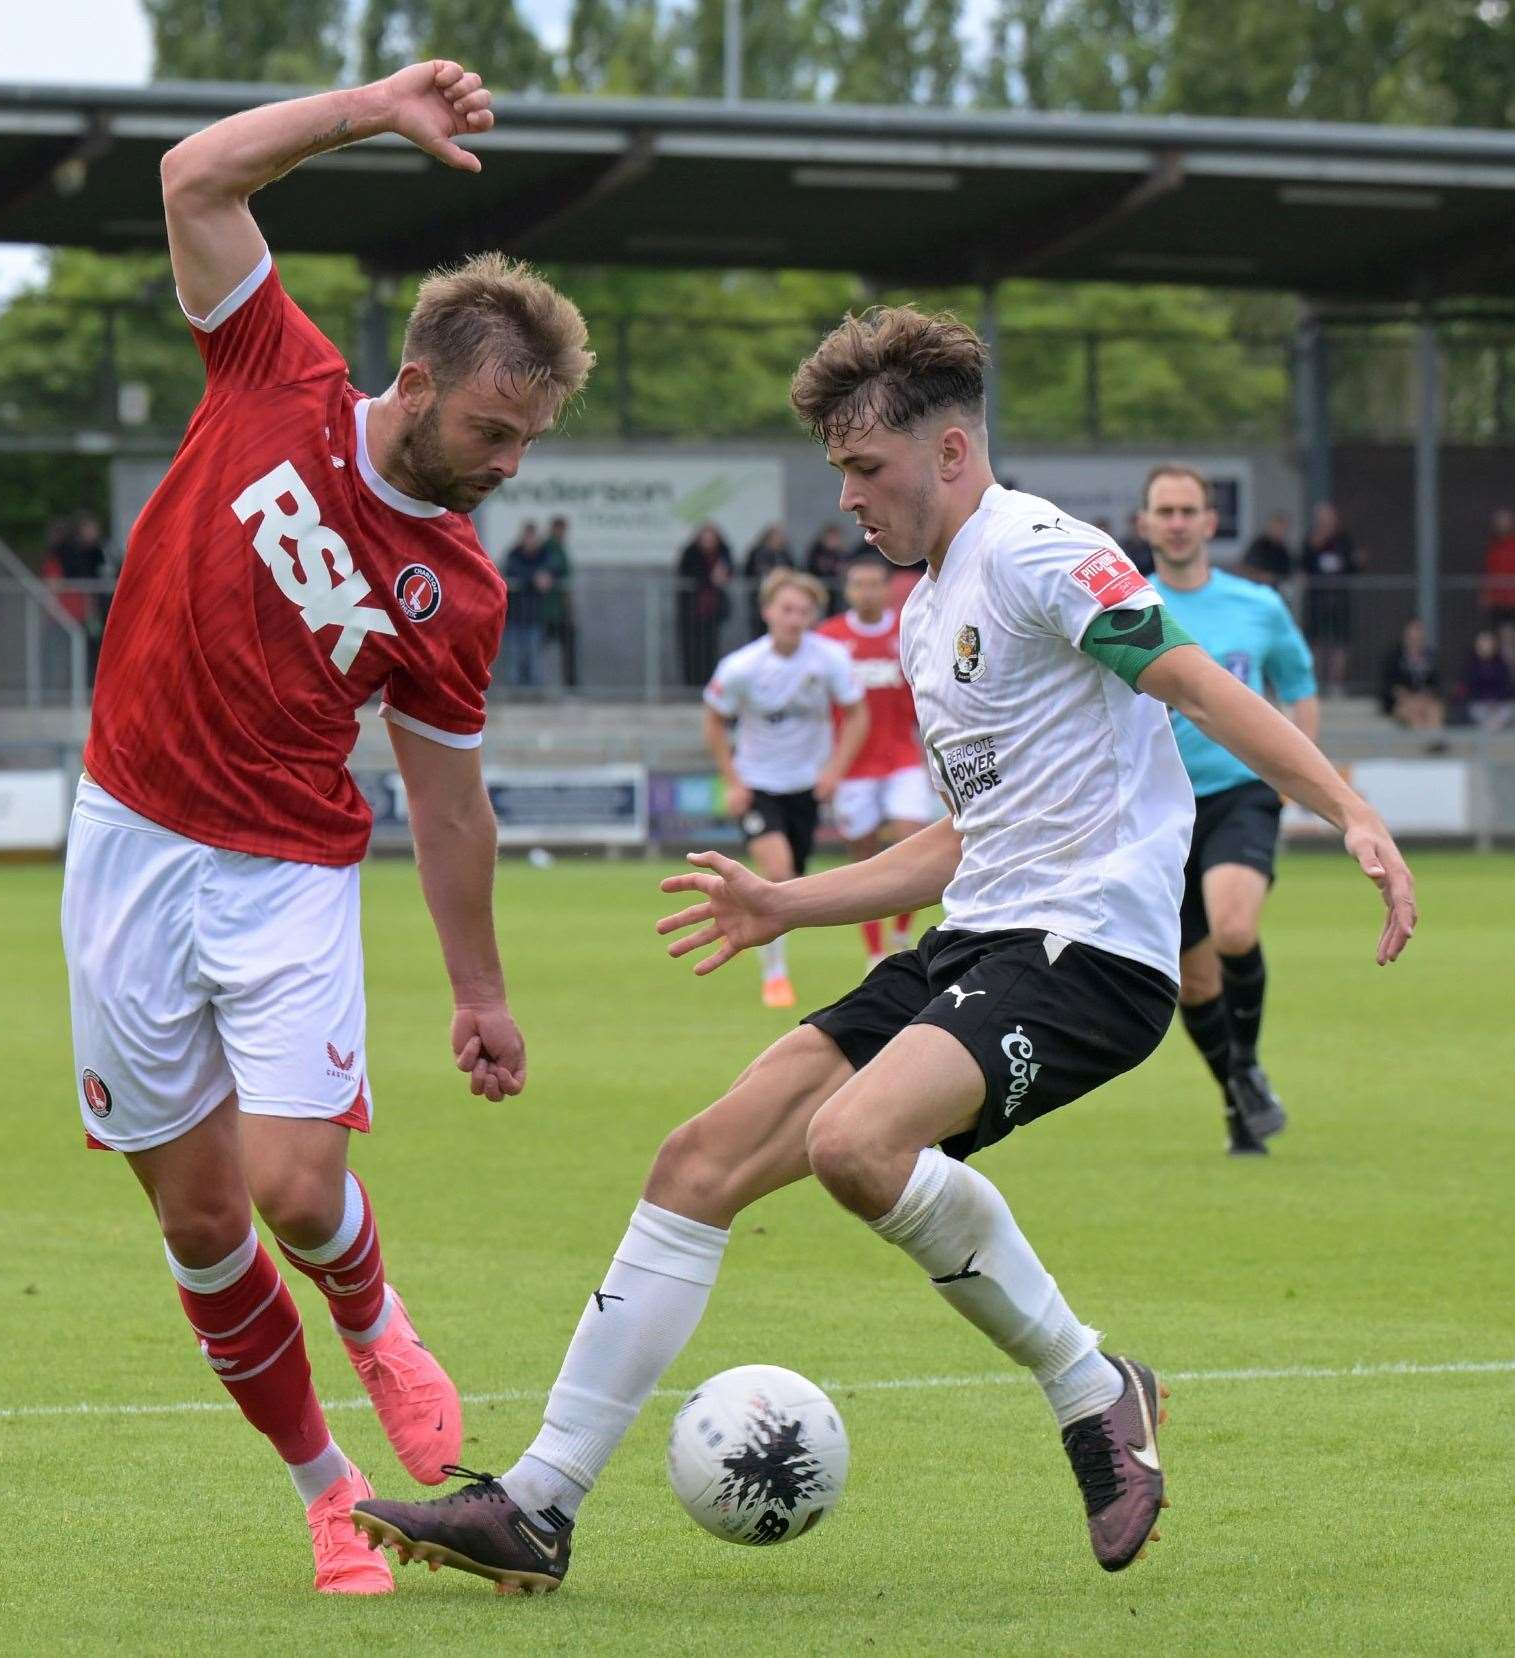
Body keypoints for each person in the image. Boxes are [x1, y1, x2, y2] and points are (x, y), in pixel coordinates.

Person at [354, 305, 1414, 1594]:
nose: (846, 500)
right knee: (696, 1159)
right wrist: (781, 906)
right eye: (839, 472)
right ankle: (536, 1503)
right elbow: (962, 835)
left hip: (1088, 952)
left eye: (865, 470)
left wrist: (1348, 807)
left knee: (854, 1143)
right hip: (977, 935)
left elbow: (1191, 681)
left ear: (953, 450)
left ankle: (1092, 1388)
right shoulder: (927, 610)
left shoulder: (1037, 551)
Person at [63, 60, 593, 1596]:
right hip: (125, 843)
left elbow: (446, 800)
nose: (507, 467)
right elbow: (193, 179)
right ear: (417, 383)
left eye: (530, 443)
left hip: (286, 869)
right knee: (202, 1216)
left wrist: (480, 992)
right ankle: (320, 1486)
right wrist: (367, 109)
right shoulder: (272, 374)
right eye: (494, 430)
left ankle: (374, 1321)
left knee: (298, 1188)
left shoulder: (462, 592)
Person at [1141, 465, 1319, 1156]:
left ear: (1210, 523)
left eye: (1189, 509)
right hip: (1159, 811)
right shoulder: (1125, 606)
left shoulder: (1257, 606)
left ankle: (1245, 1067)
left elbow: (1298, 685)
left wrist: (1293, 771)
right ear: (1147, 523)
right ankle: (1237, 1097)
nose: (1178, 521)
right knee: (1192, 980)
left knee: (1234, 928)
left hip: (1240, 792)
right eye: (1165, 510)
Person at [700, 568, 868, 1009]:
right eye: (787, 609)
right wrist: (732, 781)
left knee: (791, 878)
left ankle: (773, 958)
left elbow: (856, 713)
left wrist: (835, 770)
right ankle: (775, 975)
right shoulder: (742, 667)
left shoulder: (829, 658)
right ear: (767, 612)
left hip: (806, 788)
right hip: (759, 785)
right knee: (776, 873)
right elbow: (714, 719)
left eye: (804, 611)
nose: (795, 618)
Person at [817, 550, 941, 966]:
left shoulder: (907, 630)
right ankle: (874, 953)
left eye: (874, 584)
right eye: (858, 584)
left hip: (901, 757)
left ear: (887, 589)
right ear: (848, 590)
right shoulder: (830, 639)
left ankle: (902, 932)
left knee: (912, 839)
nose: (867, 592)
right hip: (853, 768)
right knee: (865, 859)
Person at [1301, 503, 1360, 695]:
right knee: (1316, 641)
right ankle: (1316, 683)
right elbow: (1303, 563)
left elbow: (1352, 564)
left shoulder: (1344, 539)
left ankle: (1336, 684)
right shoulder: (1311, 538)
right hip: (1317, 599)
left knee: (1340, 643)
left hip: (1339, 598)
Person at [675, 523, 733, 686]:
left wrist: (723, 576)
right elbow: (687, 574)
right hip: (693, 609)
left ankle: (710, 680)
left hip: (713, 609)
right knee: (693, 648)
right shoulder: (691, 554)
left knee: (710, 647)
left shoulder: (722, 553)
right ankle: (693, 682)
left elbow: (729, 571)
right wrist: (710, 578)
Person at [502, 520, 550, 689]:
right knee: (515, 654)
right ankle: (516, 691)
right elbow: (512, 572)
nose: (530, 541)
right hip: (515, 614)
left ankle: (534, 692)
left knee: (533, 655)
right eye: (527, 537)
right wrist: (533, 579)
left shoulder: (543, 555)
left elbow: (548, 573)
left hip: (534, 614)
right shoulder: (514, 554)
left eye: (532, 538)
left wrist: (530, 580)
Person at [1379, 618, 1446, 731]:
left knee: (1435, 710)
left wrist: (1424, 696)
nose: (1415, 641)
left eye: (1418, 638)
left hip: (1425, 700)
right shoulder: (1394, 658)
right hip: (1402, 702)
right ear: (1406, 637)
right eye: (1412, 637)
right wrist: (1408, 697)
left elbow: (1435, 684)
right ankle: (1425, 740)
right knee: (1414, 711)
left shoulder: (1430, 657)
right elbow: (1389, 685)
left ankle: (1436, 739)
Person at [538, 515, 577, 687]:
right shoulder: (548, 548)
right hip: (547, 609)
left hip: (560, 609)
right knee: (536, 647)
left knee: (569, 646)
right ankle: (533, 684)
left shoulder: (560, 548)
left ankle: (570, 683)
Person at [741, 523, 794, 636]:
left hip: (782, 593)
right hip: (760, 594)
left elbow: (792, 568)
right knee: (758, 627)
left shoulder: (784, 553)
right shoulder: (758, 552)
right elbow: (750, 570)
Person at [1479, 507, 1515, 667]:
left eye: (1506, 522)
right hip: (1500, 603)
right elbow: (1488, 572)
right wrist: (1486, 594)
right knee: (1503, 643)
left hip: (1512, 600)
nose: (1503, 526)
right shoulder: (1493, 547)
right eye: (1500, 523)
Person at [1461, 627, 1515, 730]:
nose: (1486, 645)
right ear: (1477, 644)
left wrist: (1496, 702)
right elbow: (1469, 688)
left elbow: (1507, 687)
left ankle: (1492, 730)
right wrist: (1487, 702)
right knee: (1477, 712)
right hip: (1479, 704)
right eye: (1483, 641)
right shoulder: (1471, 665)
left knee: (1510, 709)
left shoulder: (1501, 663)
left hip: (1500, 705)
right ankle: (1491, 732)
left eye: (1489, 641)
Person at [1240, 512, 1293, 590]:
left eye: (1283, 529)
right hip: (1257, 589)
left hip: (1276, 590)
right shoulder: (1258, 546)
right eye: (1278, 528)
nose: (1280, 532)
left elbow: (1287, 571)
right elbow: (1247, 568)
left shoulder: (1283, 549)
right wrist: (1262, 576)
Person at [805, 522, 848, 612]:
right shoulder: (816, 551)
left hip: (835, 590)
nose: (834, 541)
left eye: (836, 538)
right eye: (832, 537)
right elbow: (810, 568)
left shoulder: (840, 552)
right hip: (818, 587)